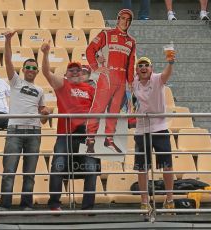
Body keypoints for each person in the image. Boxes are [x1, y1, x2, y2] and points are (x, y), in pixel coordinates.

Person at [41, 41, 100, 211]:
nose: (75, 72)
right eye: (71, 70)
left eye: (77, 70)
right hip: (65, 133)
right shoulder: (62, 85)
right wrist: (45, 54)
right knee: (58, 165)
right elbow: (46, 72)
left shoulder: (90, 90)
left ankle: (88, 207)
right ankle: (54, 204)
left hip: (87, 135)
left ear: (82, 73)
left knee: (91, 168)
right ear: (66, 74)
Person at [0, 31, 50, 211]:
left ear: (36, 71)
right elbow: (8, 61)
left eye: (33, 68)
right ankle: (4, 206)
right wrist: (8, 40)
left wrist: (46, 113)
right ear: (23, 70)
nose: (30, 70)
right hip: (15, 131)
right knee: (9, 171)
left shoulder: (40, 90)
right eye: (27, 67)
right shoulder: (15, 82)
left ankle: (26, 205)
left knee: (30, 173)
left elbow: (43, 120)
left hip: (35, 132)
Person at [85, 9, 136, 154]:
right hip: (107, 77)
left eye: (128, 20)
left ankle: (109, 139)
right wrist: (95, 67)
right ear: (117, 19)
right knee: (98, 109)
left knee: (114, 112)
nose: (125, 22)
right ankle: (90, 139)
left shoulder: (131, 42)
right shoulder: (106, 34)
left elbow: (131, 64)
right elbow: (90, 50)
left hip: (121, 80)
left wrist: (130, 82)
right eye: (123, 18)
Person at [132, 54, 175, 211]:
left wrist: (170, 62)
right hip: (141, 129)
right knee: (142, 167)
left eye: (146, 65)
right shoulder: (133, 82)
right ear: (136, 70)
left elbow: (167, 74)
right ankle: (144, 202)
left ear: (152, 69)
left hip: (160, 128)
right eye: (140, 66)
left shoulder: (157, 79)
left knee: (167, 166)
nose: (143, 68)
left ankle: (169, 200)